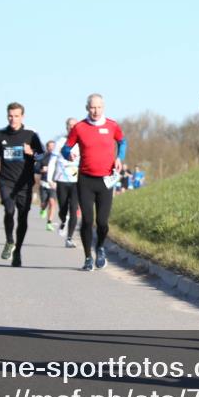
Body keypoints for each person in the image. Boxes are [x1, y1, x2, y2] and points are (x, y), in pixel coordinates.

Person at [62, 94, 126, 270]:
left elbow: (122, 142)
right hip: (85, 180)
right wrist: (69, 153)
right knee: (88, 220)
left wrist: (119, 158)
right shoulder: (79, 127)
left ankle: (100, 248)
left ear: (103, 107)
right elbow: (65, 148)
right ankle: (88, 257)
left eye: (98, 107)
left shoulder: (112, 125)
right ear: (87, 108)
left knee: (103, 222)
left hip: (106, 180)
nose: (95, 111)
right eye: (92, 107)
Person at [0, 102, 45, 267]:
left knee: (22, 217)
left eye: (16, 116)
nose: (13, 119)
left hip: (25, 183)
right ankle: (9, 241)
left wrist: (31, 152)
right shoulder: (0, 134)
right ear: (7, 116)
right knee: (9, 210)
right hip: (6, 180)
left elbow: (42, 155)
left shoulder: (30, 135)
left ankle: (18, 251)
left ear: (22, 117)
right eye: (10, 116)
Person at [47, 118, 80, 248]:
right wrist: (50, 178)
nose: (72, 128)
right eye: (70, 126)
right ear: (66, 127)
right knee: (63, 209)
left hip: (76, 181)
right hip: (61, 180)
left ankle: (69, 238)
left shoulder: (81, 142)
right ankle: (63, 220)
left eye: (74, 126)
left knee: (73, 209)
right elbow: (52, 161)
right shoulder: (60, 142)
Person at [35, 139, 57, 229]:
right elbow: (35, 169)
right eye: (50, 146)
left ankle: (49, 223)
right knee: (44, 202)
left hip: (53, 184)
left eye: (53, 146)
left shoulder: (58, 158)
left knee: (52, 203)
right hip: (44, 183)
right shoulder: (43, 157)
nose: (51, 148)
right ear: (47, 148)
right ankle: (43, 208)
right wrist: (41, 170)